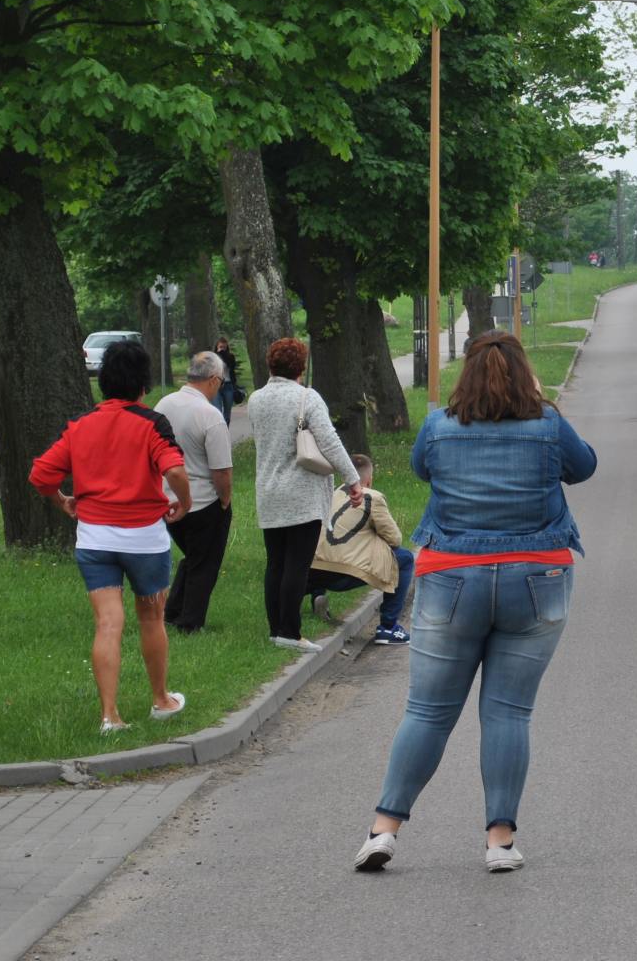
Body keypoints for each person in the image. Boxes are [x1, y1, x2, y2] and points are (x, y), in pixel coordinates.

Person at [353, 331, 597, 876]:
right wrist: (541, 404)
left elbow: (422, 469)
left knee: (427, 711)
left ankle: (383, 831)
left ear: (467, 375)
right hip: (537, 576)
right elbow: (584, 467)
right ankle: (499, 842)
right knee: (508, 711)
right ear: (525, 374)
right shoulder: (548, 425)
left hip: (450, 576)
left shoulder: (440, 427)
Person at [30, 340, 190, 733]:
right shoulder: (152, 423)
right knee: (152, 617)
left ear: (103, 382)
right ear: (143, 384)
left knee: (107, 623)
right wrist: (184, 503)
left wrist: (62, 500)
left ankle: (109, 716)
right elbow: (174, 471)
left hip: (95, 540)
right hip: (144, 540)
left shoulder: (80, 425)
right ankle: (161, 700)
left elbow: (41, 475)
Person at [246, 337, 361, 652]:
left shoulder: (255, 399)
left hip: (268, 491)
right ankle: (291, 632)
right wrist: (352, 478)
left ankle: (276, 629)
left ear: (271, 364)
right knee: (297, 564)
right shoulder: (307, 398)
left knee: (276, 563)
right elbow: (329, 441)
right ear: (301, 366)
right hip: (301, 494)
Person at [156, 352, 234, 633]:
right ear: (213, 380)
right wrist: (225, 500)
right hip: (203, 501)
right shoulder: (210, 415)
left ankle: (173, 610)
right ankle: (190, 622)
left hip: (168, 499)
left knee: (193, 556)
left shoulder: (164, 404)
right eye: (221, 382)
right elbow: (221, 470)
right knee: (205, 563)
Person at [308, 453, 415, 645]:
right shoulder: (372, 497)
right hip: (344, 573)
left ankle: (318, 595)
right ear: (369, 480)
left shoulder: (330, 493)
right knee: (405, 558)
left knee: (325, 545)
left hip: (313, 570)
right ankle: (388, 626)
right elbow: (395, 539)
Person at [213, 337, 241, 425]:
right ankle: (218, 431)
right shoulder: (213, 357)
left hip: (228, 386)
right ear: (217, 347)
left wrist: (223, 354)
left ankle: (225, 431)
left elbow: (231, 365)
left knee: (227, 414)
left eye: (224, 347)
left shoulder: (230, 357)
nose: (222, 349)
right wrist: (218, 354)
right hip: (216, 386)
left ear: (227, 347)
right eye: (220, 347)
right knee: (217, 411)